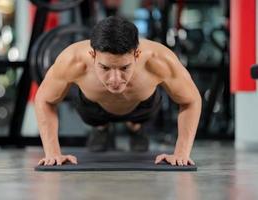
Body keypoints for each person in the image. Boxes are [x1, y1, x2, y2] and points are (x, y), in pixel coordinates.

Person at [35, 16, 201, 166]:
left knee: (139, 119)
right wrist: (53, 153)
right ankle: (102, 127)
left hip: (142, 107)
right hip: (93, 107)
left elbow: (191, 100)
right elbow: (45, 100)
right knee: (96, 120)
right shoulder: (73, 60)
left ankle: (135, 127)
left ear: (137, 54)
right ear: (93, 55)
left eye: (124, 67)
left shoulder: (159, 60)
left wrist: (181, 153)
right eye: (105, 67)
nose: (115, 79)